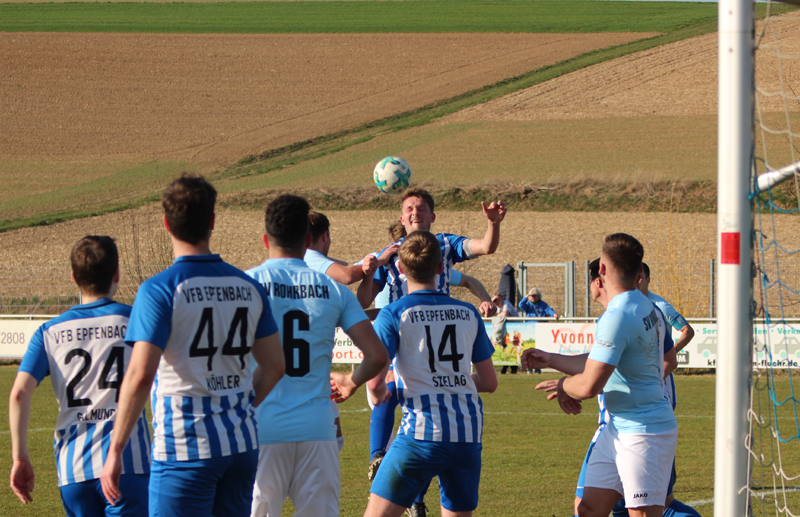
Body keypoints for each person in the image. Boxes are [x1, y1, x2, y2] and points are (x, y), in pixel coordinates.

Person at [99, 175, 286, 517]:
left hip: (185, 447)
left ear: (166, 223)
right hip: (242, 445)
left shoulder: (160, 290)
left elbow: (141, 375)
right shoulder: (247, 285)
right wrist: (240, 403)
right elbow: (275, 365)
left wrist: (116, 449)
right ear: (213, 222)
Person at [246, 194, 390, 517]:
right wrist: (351, 381)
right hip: (317, 429)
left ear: (265, 239)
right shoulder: (333, 290)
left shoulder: (246, 285)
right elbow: (377, 356)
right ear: (309, 240)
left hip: (262, 427)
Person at [535, 234, 677, 517]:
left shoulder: (617, 317)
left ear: (601, 269)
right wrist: (551, 359)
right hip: (617, 428)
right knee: (588, 510)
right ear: (639, 272)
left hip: (643, 432)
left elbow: (589, 384)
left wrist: (563, 385)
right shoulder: (645, 304)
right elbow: (600, 363)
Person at [9, 236, 151, 517]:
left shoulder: (49, 332)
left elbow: (18, 393)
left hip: (74, 468)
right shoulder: (136, 320)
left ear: (73, 277)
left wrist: (19, 456)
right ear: (117, 274)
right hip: (129, 463)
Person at [364, 231, 498, 517]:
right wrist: (452, 383)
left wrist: (379, 393)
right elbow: (489, 382)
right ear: (441, 269)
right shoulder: (468, 312)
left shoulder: (393, 314)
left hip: (420, 435)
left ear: (400, 269)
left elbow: (376, 382)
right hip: (467, 435)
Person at [357, 187, 505, 312]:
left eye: (421, 209)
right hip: (404, 330)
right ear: (402, 219)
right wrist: (370, 273)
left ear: (432, 217)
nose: (415, 212)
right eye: (410, 209)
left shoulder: (446, 243)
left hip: (439, 324)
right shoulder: (389, 253)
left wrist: (493, 224)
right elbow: (364, 302)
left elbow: (486, 247)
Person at [304, 210, 393, 286]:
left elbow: (349, 266)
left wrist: (373, 258)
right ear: (324, 236)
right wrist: (380, 260)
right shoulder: (309, 256)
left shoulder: (302, 256)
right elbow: (348, 275)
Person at [491, 292, 520, 374]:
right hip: (505, 331)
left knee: (512, 349)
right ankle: (504, 368)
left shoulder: (506, 304)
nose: (496, 302)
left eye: (497, 300)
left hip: (514, 329)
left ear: (502, 299)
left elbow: (505, 314)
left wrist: (495, 317)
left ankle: (513, 369)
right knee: (504, 349)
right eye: (494, 301)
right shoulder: (496, 307)